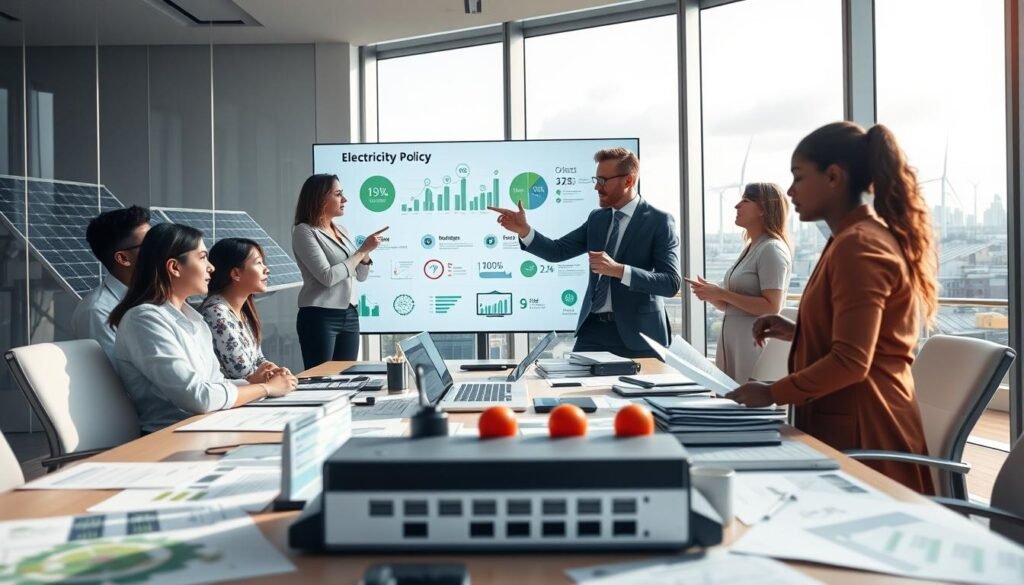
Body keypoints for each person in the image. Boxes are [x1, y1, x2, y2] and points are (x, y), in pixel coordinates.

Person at [727, 122, 937, 494]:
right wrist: (800, 330)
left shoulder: (859, 245)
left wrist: (771, 393)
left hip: (865, 432)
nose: (790, 191)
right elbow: (865, 337)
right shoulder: (850, 239)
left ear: (834, 176)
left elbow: (853, 362)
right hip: (847, 421)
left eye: (799, 177)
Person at [489, 148, 680, 358]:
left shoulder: (659, 221)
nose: (597, 186)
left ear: (628, 181)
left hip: (641, 335)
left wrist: (619, 270)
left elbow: (670, 283)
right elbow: (557, 251)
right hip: (593, 331)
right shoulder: (597, 219)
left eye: (603, 180)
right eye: (596, 179)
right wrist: (524, 230)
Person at [108, 223, 297, 433]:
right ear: (174, 267)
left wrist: (252, 382)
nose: (211, 267)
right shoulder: (143, 320)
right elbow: (197, 397)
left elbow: (215, 384)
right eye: (202, 257)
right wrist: (266, 388)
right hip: (172, 435)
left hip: (211, 425)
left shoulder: (193, 318)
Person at [687, 183, 792, 382]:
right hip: (735, 345)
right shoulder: (751, 248)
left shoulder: (771, 249)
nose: (737, 206)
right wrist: (712, 294)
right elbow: (734, 306)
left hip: (752, 346)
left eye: (745, 201)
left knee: (745, 405)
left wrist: (723, 293)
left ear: (763, 209)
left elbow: (772, 307)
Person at [292, 173, 388, 368]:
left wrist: (366, 253)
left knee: (346, 378)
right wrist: (361, 251)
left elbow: (360, 275)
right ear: (319, 198)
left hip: (350, 314)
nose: (344, 199)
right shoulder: (304, 231)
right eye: (338, 194)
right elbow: (327, 277)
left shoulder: (342, 230)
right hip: (319, 316)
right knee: (321, 380)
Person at [72, 206, 151, 360]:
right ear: (123, 258)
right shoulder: (97, 312)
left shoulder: (155, 297)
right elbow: (117, 378)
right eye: (150, 244)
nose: (161, 249)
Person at [200, 237, 283, 382]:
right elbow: (243, 374)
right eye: (258, 263)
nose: (266, 269)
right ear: (236, 274)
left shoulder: (241, 311)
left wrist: (274, 369)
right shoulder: (216, 313)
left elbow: (258, 359)